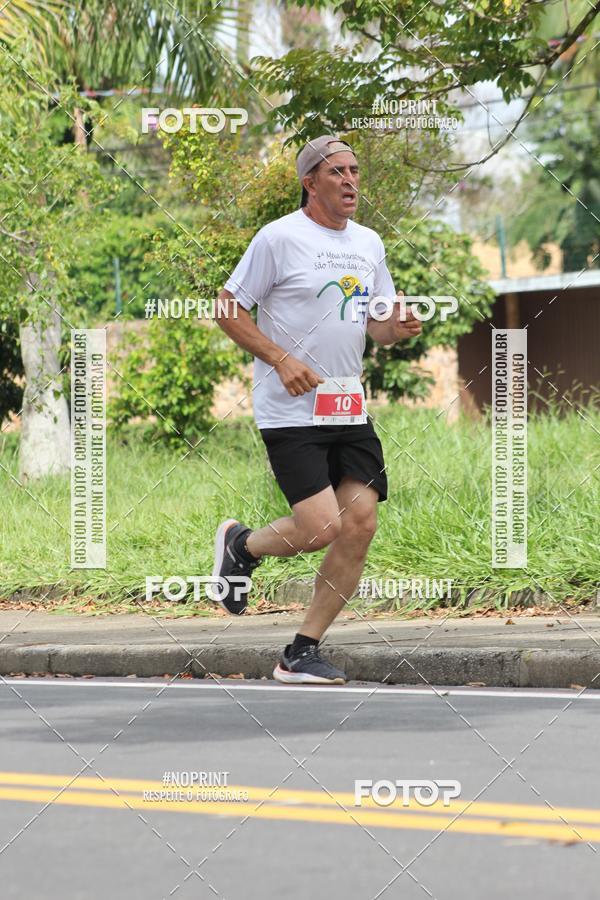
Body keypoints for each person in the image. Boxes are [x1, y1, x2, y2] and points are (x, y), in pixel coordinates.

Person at [211, 134, 421, 684]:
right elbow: (226, 307)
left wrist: (396, 329)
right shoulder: (279, 238)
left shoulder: (369, 243)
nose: (351, 180)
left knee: (360, 523)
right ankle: (242, 544)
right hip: (291, 410)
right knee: (322, 526)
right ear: (310, 182)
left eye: (355, 170)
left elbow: (378, 327)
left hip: (348, 405)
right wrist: (280, 358)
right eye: (338, 172)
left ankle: (299, 652)